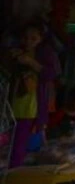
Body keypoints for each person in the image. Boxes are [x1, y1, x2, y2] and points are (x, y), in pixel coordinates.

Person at [5, 22, 45, 168]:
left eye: (33, 38)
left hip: (28, 109)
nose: (28, 41)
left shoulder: (42, 57)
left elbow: (49, 74)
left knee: (19, 145)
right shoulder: (15, 53)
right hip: (8, 106)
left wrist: (30, 62)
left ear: (40, 39)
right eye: (26, 38)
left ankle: (12, 174)